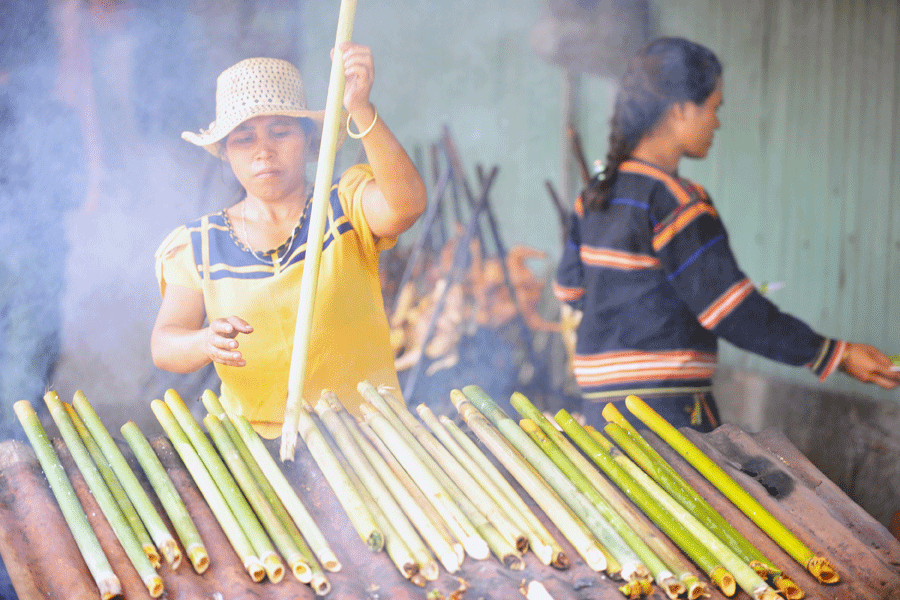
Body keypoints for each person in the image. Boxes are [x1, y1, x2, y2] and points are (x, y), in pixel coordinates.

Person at [554, 37, 900, 433]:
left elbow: (570, 293)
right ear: (681, 109)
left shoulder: (592, 199)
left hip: (600, 413)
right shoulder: (677, 202)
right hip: (666, 412)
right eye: (713, 108)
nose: (716, 123)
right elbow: (732, 312)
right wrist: (834, 354)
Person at [152, 44, 427, 439]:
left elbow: (408, 206)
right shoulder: (200, 244)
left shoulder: (345, 205)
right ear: (227, 153)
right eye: (244, 139)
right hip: (257, 448)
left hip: (367, 436)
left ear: (308, 139)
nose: (264, 151)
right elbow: (165, 344)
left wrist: (361, 109)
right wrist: (204, 341)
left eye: (280, 132)